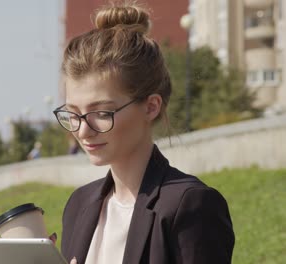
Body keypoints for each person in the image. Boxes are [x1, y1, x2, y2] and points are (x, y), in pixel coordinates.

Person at [52, 3, 235, 264]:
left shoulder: (190, 205)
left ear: (151, 107)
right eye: (73, 113)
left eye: (102, 113)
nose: (82, 130)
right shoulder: (79, 204)